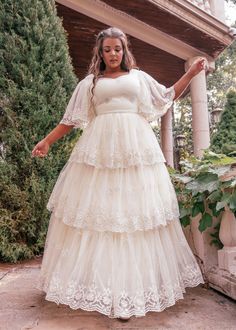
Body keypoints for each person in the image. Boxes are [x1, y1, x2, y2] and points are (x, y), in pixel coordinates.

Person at [32, 27, 206, 319]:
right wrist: (47, 141)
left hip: (136, 152)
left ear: (125, 51)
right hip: (99, 153)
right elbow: (70, 120)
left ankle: (129, 294)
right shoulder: (90, 83)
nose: (113, 54)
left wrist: (191, 74)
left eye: (118, 49)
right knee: (100, 218)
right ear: (100, 53)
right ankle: (102, 290)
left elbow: (165, 97)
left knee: (133, 218)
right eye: (107, 49)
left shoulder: (139, 77)